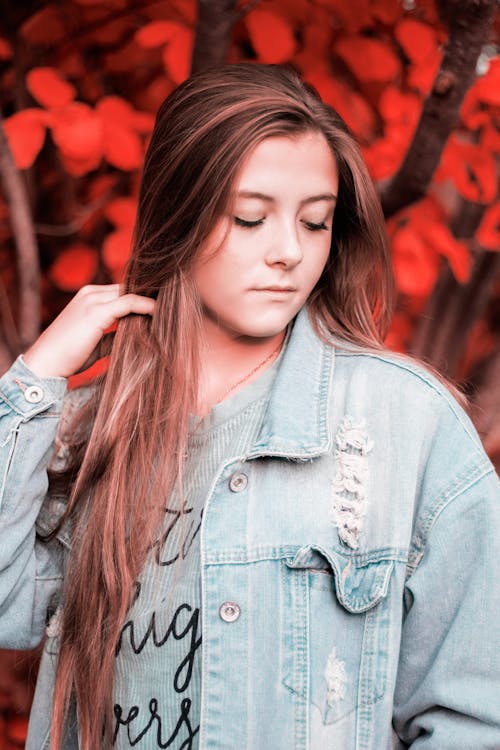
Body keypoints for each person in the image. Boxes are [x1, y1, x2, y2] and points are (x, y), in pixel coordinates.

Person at [0, 62, 498, 750]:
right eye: (250, 218)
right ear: (180, 215)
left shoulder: (403, 426)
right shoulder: (94, 424)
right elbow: (6, 610)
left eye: (316, 221)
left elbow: (473, 717)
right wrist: (34, 380)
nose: (290, 252)